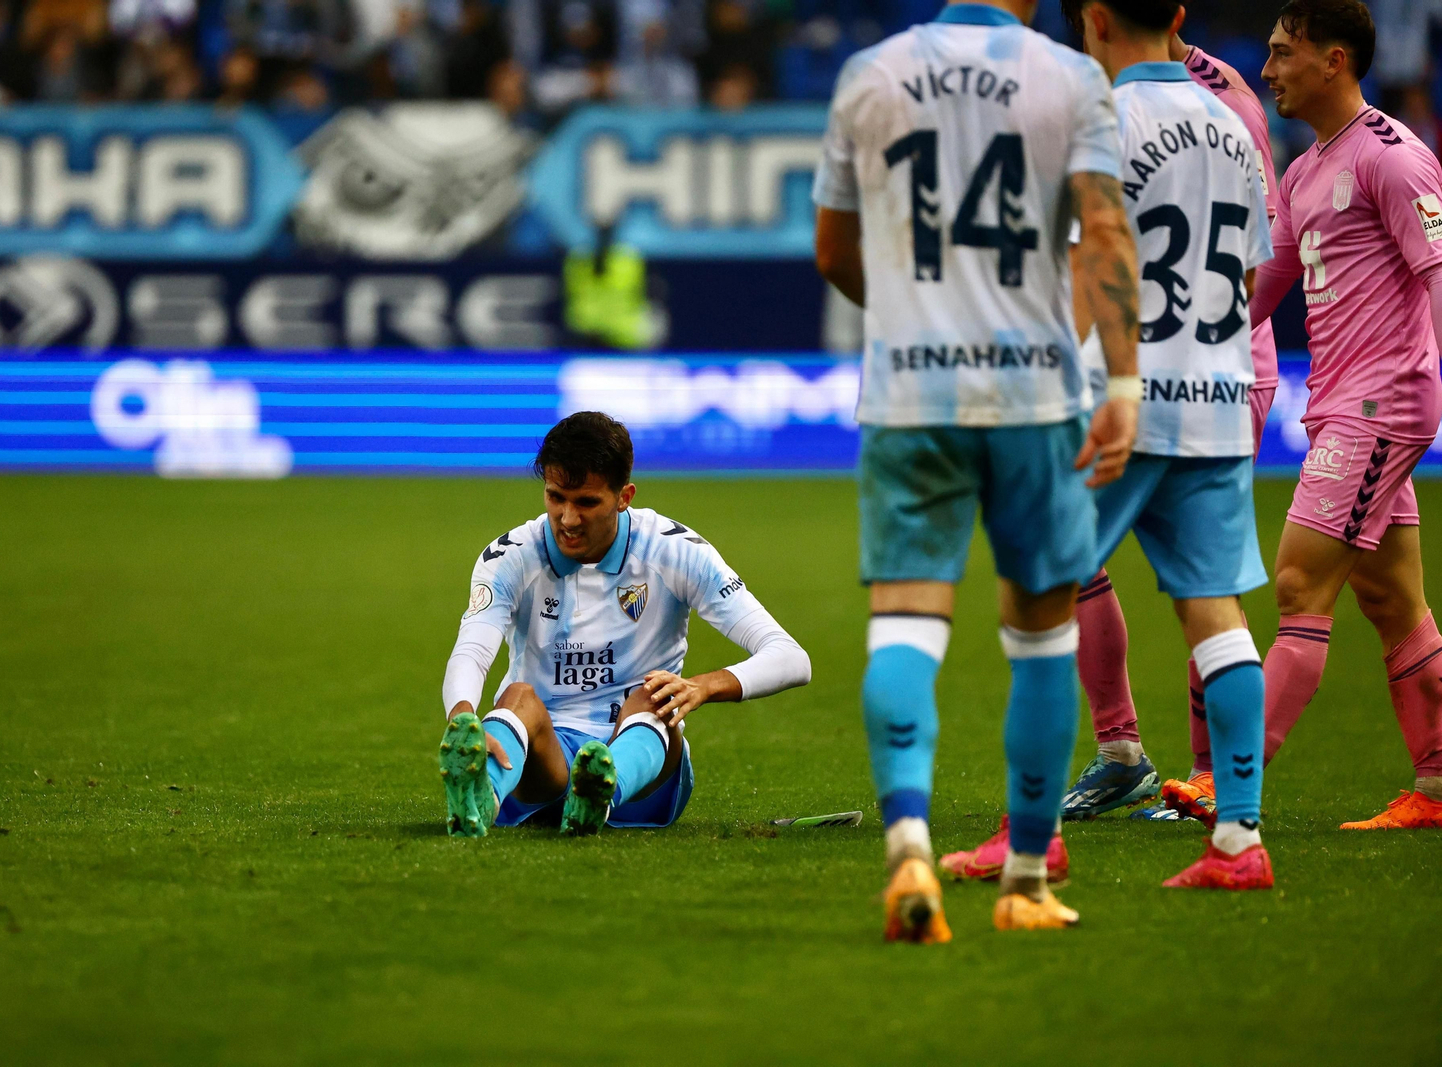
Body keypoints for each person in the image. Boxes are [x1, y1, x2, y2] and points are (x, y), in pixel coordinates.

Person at [813, 0, 1142, 939]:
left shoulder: (868, 75)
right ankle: (1028, 880)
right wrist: (1122, 378)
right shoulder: (1070, 78)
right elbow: (1106, 234)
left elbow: (834, 249)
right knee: (1042, 632)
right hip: (1035, 396)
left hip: (910, 396)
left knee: (905, 628)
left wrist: (916, 319)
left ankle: (910, 843)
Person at [1051, 0, 1278, 887]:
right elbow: (1254, 271)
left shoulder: (1098, 116)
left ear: (1095, 19)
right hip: (1218, 398)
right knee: (1216, 615)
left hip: (1121, 397)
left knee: (1040, 589)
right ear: (1179, 16)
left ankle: (1031, 834)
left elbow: (1088, 263)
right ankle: (1240, 838)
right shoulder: (1232, 121)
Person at [1246, 0, 1442, 830]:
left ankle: (1231, 781)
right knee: (1394, 602)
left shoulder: (1397, 160)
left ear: (1333, 61)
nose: (1268, 70)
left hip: (1384, 399)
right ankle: (1434, 789)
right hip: (1340, 404)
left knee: (1297, 580)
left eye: (1284, 53)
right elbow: (1265, 289)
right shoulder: (1302, 172)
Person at [436, 411, 811, 838]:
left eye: (586, 502)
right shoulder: (511, 556)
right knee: (517, 696)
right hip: (541, 762)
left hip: (644, 769)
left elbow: (791, 658)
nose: (568, 519)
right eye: (556, 497)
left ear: (624, 496)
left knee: (653, 694)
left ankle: (600, 792)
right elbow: (472, 649)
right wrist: (462, 715)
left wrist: (704, 686)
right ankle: (480, 796)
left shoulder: (675, 551)